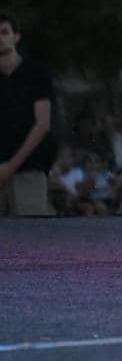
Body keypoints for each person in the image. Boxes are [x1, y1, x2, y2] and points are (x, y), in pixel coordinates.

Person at [0, 11, 57, 217]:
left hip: (29, 170)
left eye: (4, 32)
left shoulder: (36, 74)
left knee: (30, 237)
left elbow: (42, 124)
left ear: (16, 37)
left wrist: (10, 166)